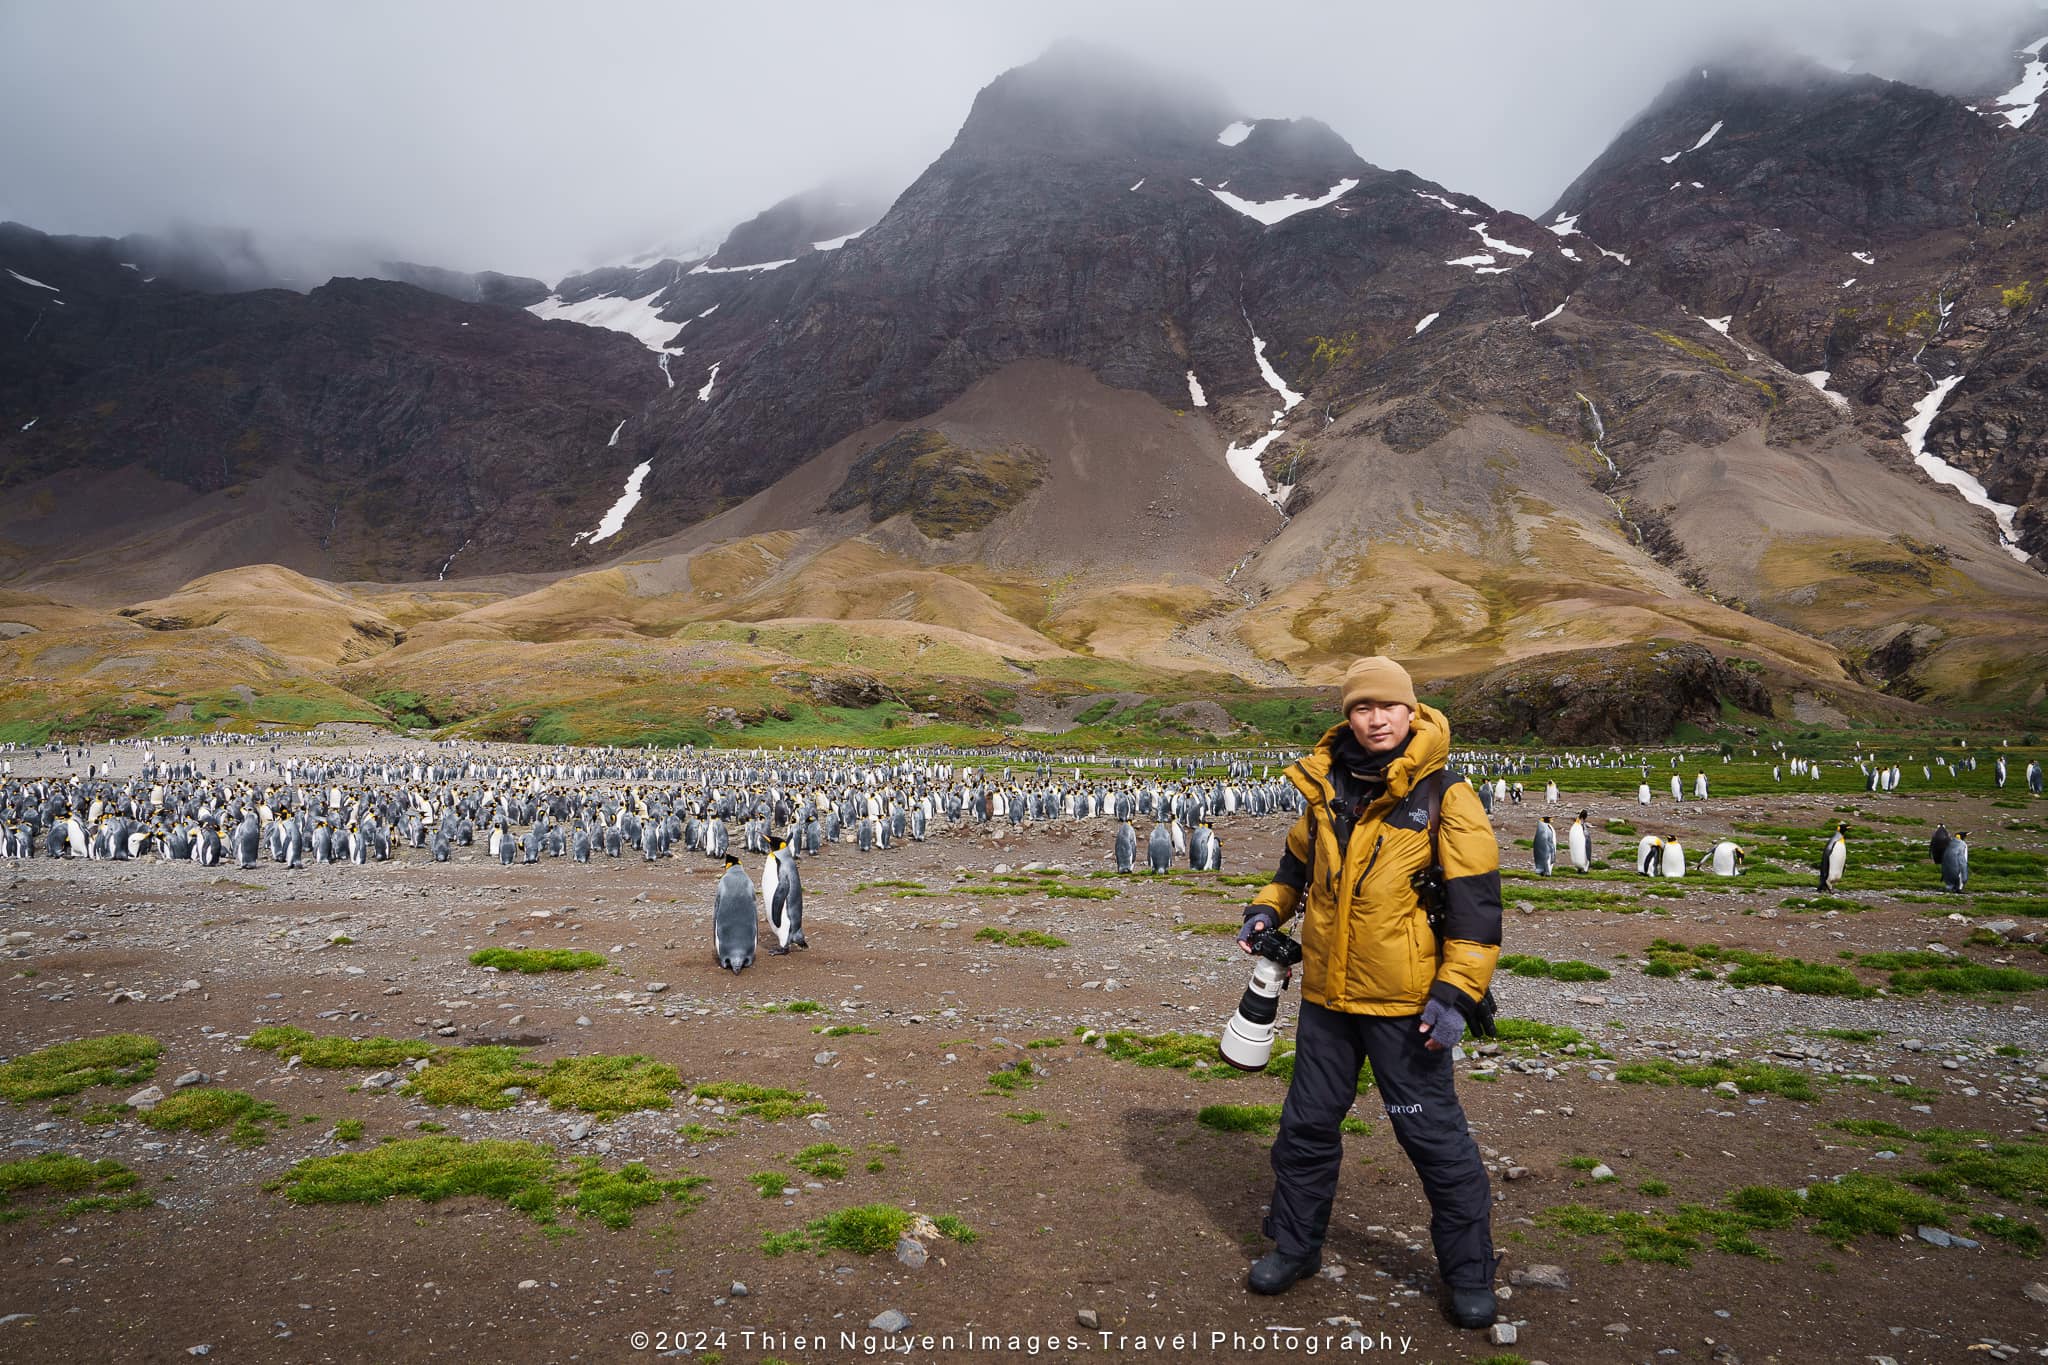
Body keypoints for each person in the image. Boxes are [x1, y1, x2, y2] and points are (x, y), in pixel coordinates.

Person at [1237, 655, 1502, 1329]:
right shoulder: (1326, 788)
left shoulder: (1446, 793)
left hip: (1406, 1005)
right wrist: (1267, 909)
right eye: (1362, 706)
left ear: (1411, 711)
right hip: (1328, 998)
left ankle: (1469, 1271)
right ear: (1347, 714)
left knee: (1434, 1138)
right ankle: (1296, 1247)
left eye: (1388, 705)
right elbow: (1294, 866)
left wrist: (1457, 993)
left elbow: (1476, 907)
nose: (1376, 717)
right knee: (1305, 1129)